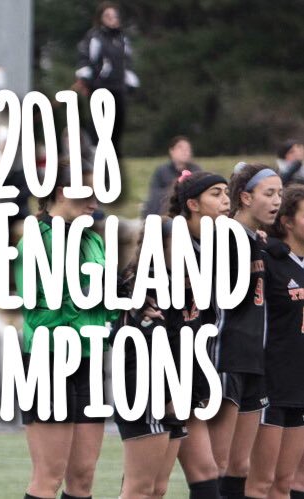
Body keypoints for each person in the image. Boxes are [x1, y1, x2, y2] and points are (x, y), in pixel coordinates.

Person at [12, 165, 116, 499]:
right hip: (49, 360)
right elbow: (38, 309)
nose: (95, 203)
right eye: (88, 193)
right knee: (49, 476)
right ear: (61, 191)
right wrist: (88, 297)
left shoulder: (93, 238)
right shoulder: (37, 238)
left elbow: (106, 303)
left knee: (83, 477)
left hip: (88, 359)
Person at [208, 164, 280, 497]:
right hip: (226, 359)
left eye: (280, 193)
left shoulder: (257, 240)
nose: (276, 201)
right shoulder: (224, 236)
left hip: (255, 361)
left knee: (240, 467)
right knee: (216, 465)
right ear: (246, 197)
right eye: (269, 193)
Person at [167, 170, 230, 498]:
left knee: (206, 475)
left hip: (191, 378)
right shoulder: (167, 244)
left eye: (226, 193)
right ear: (193, 204)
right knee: (146, 484)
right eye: (216, 194)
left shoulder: (211, 247)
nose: (225, 201)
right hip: (161, 378)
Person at [112, 222, 186, 499]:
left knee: (157, 489)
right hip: (145, 392)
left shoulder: (175, 281)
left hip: (172, 392)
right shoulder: (141, 285)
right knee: (139, 489)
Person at [249, 185, 304, 498]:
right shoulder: (269, 261)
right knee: (261, 483)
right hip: (270, 386)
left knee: (285, 483)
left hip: (299, 385)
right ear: (288, 222)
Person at [73, 1, 137, 154]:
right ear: (101, 18)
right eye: (108, 16)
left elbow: (127, 63)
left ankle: (113, 160)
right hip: (100, 88)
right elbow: (85, 59)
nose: (112, 19)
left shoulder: (122, 39)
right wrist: (85, 78)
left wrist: (131, 82)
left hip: (119, 89)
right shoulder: (94, 37)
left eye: (115, 16)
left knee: (117, 125)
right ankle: (94, 154)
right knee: (99, 126)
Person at [141, 136, 200, 217]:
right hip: (165, 212)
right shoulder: (161, 171)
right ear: (171, 151)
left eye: (188, 149)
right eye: (180, 148)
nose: (185, 151)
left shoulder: (196, 170)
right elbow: (154, 193)